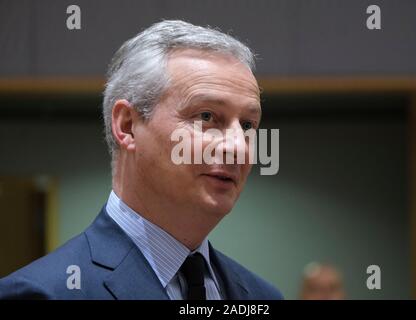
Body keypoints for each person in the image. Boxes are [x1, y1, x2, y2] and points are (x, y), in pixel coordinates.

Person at [0, 20, 283, 300]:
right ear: (127, 126)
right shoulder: (43, 294)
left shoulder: (263, 296)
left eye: (247, 125)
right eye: (206, 117)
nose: (238, 147)